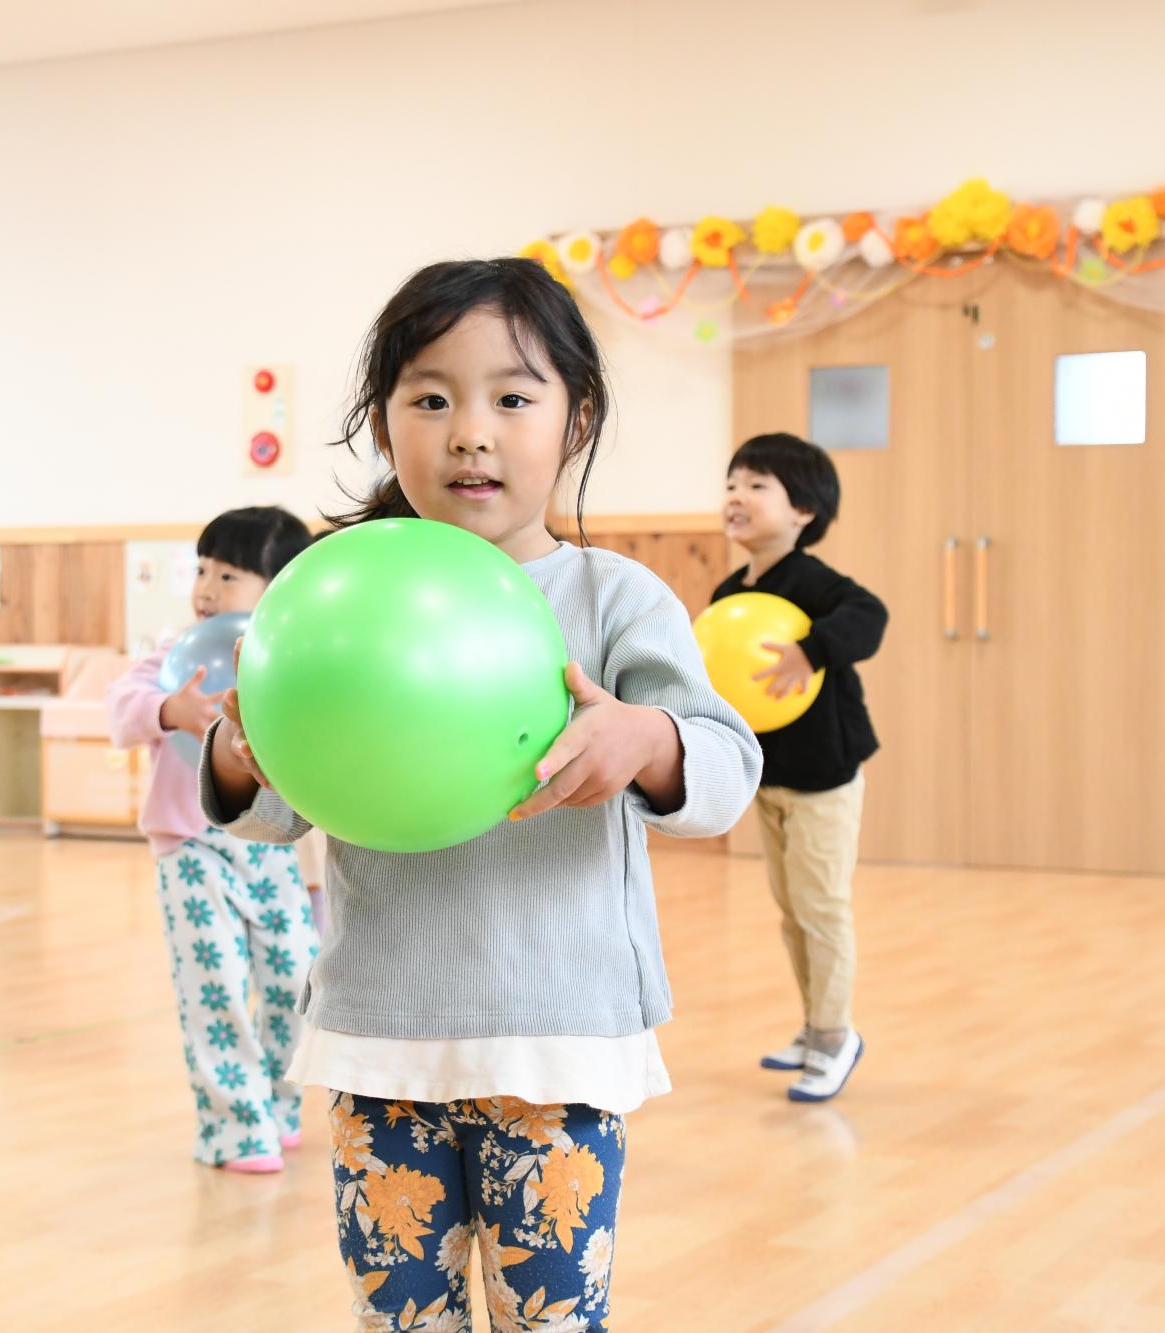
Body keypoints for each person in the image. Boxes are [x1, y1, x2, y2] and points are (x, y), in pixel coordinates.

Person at [205, 259, 761, 1326]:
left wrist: (644, 736)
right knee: (400, 1317)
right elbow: (274, 805)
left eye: (512, 397)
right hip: (380, 1033)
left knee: (548, 1318)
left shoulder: (610, 597)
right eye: (429, 398)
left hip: (554, 1039)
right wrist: (242, 750)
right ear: (383, 423)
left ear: (576, 418)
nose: (470, 431)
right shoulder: (338, 593)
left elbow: (723, 768)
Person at [106, 506, 321, 1172]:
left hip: (277, 852)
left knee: (295, 982)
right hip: (191, 849)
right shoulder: (177, 656)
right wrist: (170, 708)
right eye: (201, 569)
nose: (205, 587)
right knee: (217, 989)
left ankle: (278, 1106)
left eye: (228, 575)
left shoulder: (296, 663)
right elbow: (121, 707)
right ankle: (232, 1126)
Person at [717, 432, 888, 1102]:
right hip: (772, 774)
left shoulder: (814, 583)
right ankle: (812, 1025)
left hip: (825, 773)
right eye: (733, 482)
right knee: (791, 910)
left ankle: (835, 1035)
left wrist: (810, 650)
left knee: (822, 907)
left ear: (804, 512)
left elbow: (870, 616)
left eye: (758, 485)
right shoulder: (733, 590)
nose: (737, 495)